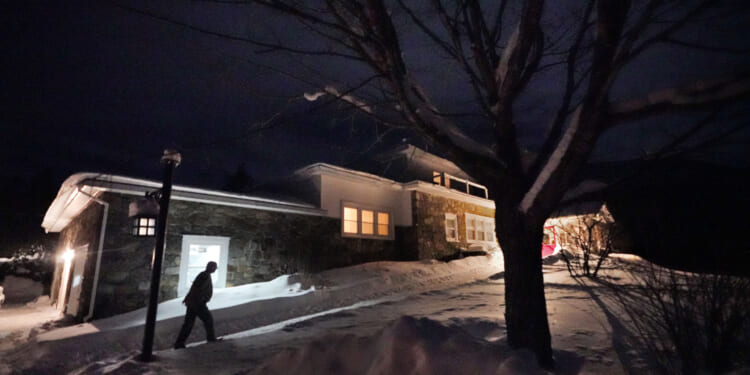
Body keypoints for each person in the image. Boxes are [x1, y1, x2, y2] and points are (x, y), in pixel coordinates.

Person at [173, 261, 219, 349]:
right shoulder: (204, 276)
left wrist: (188, 299)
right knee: (208, 319)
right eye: (215, 267)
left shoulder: (204, 275)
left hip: (193, 303)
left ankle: (179, 343)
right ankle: (211, 338)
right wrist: (199, 300)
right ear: (211, 267)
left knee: (188, 323)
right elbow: (197, 289)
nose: (215, 269)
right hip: (198, 304)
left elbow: (194, 288)